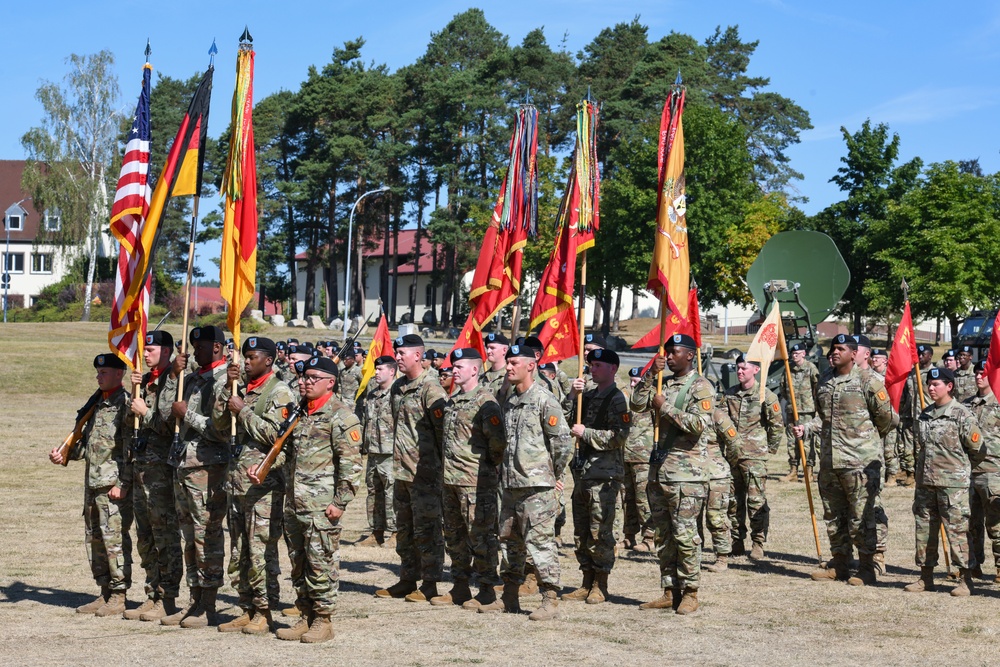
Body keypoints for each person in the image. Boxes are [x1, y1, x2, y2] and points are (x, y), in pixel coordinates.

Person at [254, 356, 362, 643]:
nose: (305, 382)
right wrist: (264, 468)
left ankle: (323, 620)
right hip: (295, 503)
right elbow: (289, 454)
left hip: (321, 507)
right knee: (298, 562)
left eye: (313, 377)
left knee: (321, 562)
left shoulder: (341, 415)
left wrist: (339, 502)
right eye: (304, 377)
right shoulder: (300, 412)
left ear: (331, 382)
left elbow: (352, 465)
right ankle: (306, 614)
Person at [479, 344, 572, 620]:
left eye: (514, 363)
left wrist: (552, 474)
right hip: (510, 484)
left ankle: (550, 600)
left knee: (541, 545)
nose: (508, 367)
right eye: (507, 363)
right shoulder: (509, 401)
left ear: (530, 365)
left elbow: (562, 442)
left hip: (537, 487)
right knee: (509, 543)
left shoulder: (544, 399)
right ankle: (509, 596)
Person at [794, 334, 894, 587]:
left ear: (853, 353)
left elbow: (887, 419)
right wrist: (808, 427)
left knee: (862, 517)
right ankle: (839, 564)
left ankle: (868, 567)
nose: (834, 352)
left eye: (840, 349)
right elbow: (823, 416)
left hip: (859, 462)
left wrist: (864, 442)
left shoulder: (867, 380)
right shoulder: (825, 379)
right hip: (829, 462)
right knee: (834, 517)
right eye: (833, 348)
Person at [215, 336, 296, 635]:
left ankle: (265, 610)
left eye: (252, 357)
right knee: (239, 550)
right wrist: (227, 391)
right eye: (244, 356)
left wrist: (244, 411)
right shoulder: (241, 389)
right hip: (237, 483)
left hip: (264, 485)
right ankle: (246, 607)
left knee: (261, 549)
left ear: (269, 361)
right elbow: (219, 425)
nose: (245, 361)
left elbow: (278, 435)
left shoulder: (279, 391)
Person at [630, 333, 715, 615]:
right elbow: (637, 405)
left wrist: (664, 407)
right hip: (660, 471)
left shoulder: (701, 386)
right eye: (666, 351)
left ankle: (690, 591)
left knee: (685, 536)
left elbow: (698, 425)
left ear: (690, 355)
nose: (668, 356)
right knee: (663, 536)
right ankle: (669, 589)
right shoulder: (661, 382)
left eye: (674, 351)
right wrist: (648, 376)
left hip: (687, 474)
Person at [50, 354, 134, 617]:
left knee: (114, 541)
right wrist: (65, 453)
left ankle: (119, 595)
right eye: (98, 373)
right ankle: (105, 591)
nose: (99, 377)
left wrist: (123, 483)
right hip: (93, 482)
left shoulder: (126, 405)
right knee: (94, 540)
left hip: (112, 486)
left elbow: (131, 450)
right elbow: (89, 445)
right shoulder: (97, 404)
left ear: (119, 374)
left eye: (105, 372)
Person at [159, 325, 232, 627]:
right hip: (183, 466)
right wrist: (173, 377)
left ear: (216, 347)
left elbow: (222, 429)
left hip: (208, 469)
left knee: (207, 536)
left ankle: (209, 602)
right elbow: (164, 413)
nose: (192, 352)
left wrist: (186, 413)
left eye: (199, 346)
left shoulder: (225, 380)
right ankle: (194, 597)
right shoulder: (191, 379)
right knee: (188, 536)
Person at [375, 334, 448, 602]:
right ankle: (408, 578)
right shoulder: (398, 388)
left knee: (427, 529)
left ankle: (430, 583)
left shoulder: (432, 389)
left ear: (418, 355)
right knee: (404, 529)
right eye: (397, 352)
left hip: (425, 473)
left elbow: (444, 434)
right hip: (401, 472)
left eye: (402, 353)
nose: (397, 357)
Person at [433, 348, 506, 609]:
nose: (453, 370)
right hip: (450, 481)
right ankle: (460, 586)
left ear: (474, 370)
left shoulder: (485, 402)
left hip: (475, 483)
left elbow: (498, 444)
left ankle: (486, 590)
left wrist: (485, 471)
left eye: (460, 366)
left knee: (482, 536)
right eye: (454, 366)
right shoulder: (453, 400)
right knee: (455, 536)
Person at [904, 367, 983, 596]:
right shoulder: (925, 414)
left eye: (936, 384)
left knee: (958, 531)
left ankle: (965, 580)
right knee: (924, 531)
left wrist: (959, 471)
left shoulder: (962, 414)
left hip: (953, 486)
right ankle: (925, 577)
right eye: (929, 383)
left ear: (949, 386)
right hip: (926, 483)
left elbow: (977, 448)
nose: (931, 387)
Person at [561, 348, 630, 605]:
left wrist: (586, 433)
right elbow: (563, 420)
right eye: (591, 364)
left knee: (600, 531)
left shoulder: (617, 399)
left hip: (604, 474)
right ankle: (586, 580)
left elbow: (619, 436)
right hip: (582, 472)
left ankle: (601, 583)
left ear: (613, 368)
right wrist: (572, 395)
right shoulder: (586, 397)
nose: (592, 368)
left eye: (598, 365)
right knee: (581, 530)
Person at [125, 331, 183, 622]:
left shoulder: (175, 379)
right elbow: (129, 423)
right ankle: (152, 592)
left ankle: (168, 596)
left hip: (162, 470)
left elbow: (170, 423)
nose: (145, 354)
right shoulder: (146, 380)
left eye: (150, 349)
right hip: (141, 468)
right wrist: (133, 394)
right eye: (143, 349)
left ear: (167, 351)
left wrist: (145, 411)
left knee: (165, 534)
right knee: (145, 535)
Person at [722, 355, 785, 561]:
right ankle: (736, 541)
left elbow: (776, 425)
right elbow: (721, 422)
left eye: (744, 368)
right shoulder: (730, 394)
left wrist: (768, 450)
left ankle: (758, 542)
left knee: (756, 501)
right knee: (733, 502)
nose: (740, 372)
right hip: (732, 457)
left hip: (755, 456)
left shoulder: (765, 395)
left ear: (755, 370)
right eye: (738, 368)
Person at [356, 356, 398, 548]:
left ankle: (396, 532)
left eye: (381, 369)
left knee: (392, 493)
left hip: (390, 452)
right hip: (373, 451)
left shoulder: (397, 394)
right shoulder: (372, 395)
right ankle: (376, 532)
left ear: (392, 371)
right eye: (376, 369)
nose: (376, 372)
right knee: (373, 492)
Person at [964, 360, 1000, 582]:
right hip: (968, 472)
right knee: (970, 523)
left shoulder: (998, 402)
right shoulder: (966, 405)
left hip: (993, 471)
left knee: (996, 523)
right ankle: (973, 565)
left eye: (983, 373)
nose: (979, 377)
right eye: (977, 373)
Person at [622, 367, 655, 553]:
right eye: (632, 381)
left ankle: (650, 537)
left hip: (644, 457)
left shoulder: (648, 401)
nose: (633, 385)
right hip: (625, 455)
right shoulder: (624, 399)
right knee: (627, 499)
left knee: (644, 499)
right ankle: (628, 536)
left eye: (637, 382)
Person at [780, 343, 819, 482]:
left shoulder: (811, 368)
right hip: (792, 409)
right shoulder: (788, 369)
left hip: (807, 410)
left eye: (797, 353)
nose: (794, 356)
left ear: (804, 354)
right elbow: (783, 388)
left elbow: (817, 387)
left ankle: (808, 470)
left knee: (806, 441)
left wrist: (811, 403)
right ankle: (793, 471)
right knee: (791, 441)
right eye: (793, 354)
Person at [898, 344, 934, 487]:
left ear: (930, 356)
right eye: (918, 354)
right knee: (908, 446)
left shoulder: (934, 373)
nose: (919, 356)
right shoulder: (911, 373)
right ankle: (910, 474)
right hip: (909, 415)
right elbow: (905, 395)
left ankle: (922, 474)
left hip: (926, 416)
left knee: (922, 446)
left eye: (923, 354)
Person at [336, 344, 363, 411]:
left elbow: (363, 385)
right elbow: (339, 384)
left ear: (353, 360)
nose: (344, 361)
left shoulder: (358, 371)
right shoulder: (342, 371)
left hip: (353, 403)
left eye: (347, 359)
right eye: (343, 359)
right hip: (342, 401)